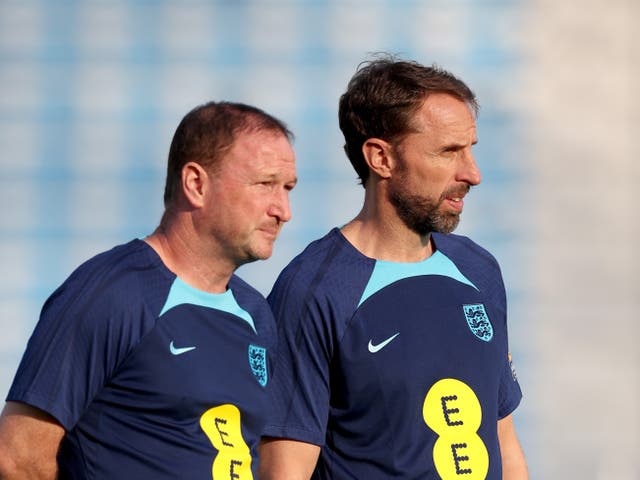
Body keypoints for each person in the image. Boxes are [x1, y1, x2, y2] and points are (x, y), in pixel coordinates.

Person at [259, 56, 528, 479]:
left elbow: (504, 443)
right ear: (380, 158)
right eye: (448, 152)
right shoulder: (314, 291)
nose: (472, 174)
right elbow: (283, 471)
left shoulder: (478, 269)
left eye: (470, 149)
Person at [0, 101, 297, 479]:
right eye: (265, 184)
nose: (283, 210)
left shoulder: (256, 314)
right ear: (196, 184)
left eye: (287, 188)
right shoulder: (113, 293)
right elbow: (18, 458)